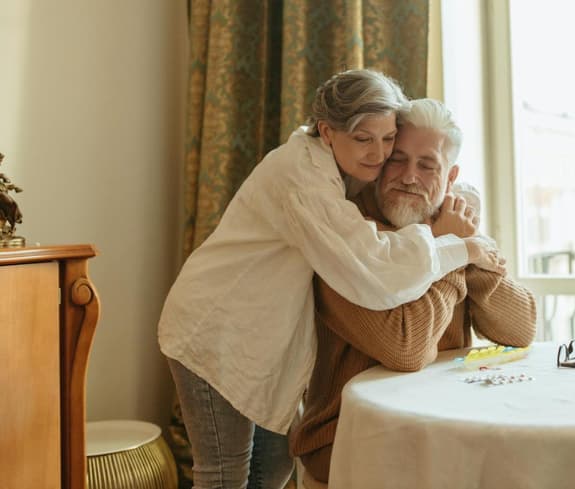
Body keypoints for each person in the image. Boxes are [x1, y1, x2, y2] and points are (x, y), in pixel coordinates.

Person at [158, 71, 502, 489]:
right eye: (363, 138)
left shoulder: (344, 162)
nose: (378, 154)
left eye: (387, 138)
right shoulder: (302, 180)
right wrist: (460, 247)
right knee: (226, 473)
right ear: (327, 131)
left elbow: (444, 176)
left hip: (263, 334)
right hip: (213, 326)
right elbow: (373, 266)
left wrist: (460, 205)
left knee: (272, 468)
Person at [290, 98, 538, 487]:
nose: (409, 177)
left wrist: (463, 250)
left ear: (450, 177)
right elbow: (405, 348)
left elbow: (520, 329)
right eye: (397, 160)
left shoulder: (449, 224)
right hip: (349, 440)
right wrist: (451, 253)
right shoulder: (348, 238)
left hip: (444, 428)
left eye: (427, 165)